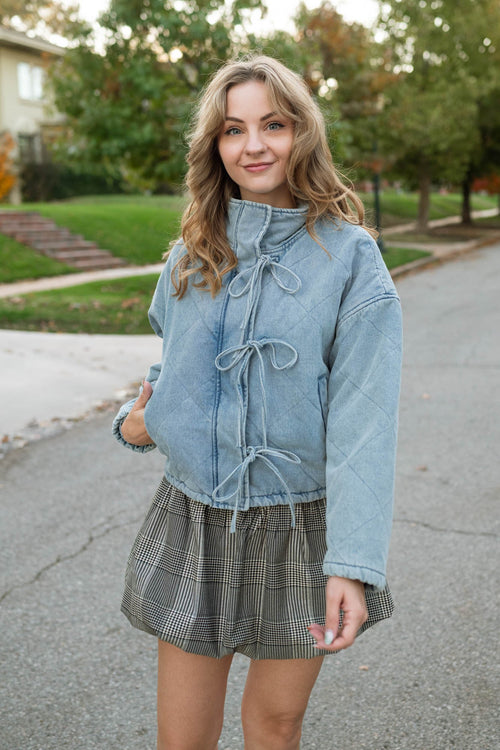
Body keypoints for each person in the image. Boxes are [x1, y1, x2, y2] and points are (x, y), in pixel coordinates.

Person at [113, 54, 402, 750]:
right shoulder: (189, 256)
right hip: (194, 524)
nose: (254, 145)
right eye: (234, 129)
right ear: (215, 145)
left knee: (274, 725)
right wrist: (140, 422)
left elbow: (366, 422)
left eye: (273, 124)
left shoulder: (352, 259)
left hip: (304, 533)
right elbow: (168, 370)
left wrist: (351, 567)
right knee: (182, 739)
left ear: (301, 131)